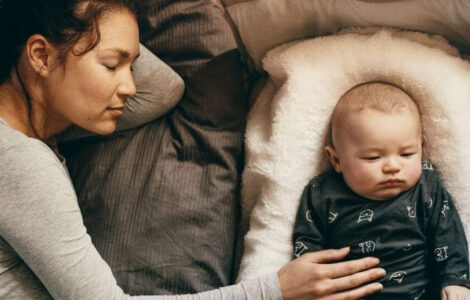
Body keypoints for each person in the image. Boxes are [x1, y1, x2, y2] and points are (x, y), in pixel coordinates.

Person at [0, 0, 386, 299]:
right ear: (39, 56)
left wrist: (109, 27)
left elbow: (162, 90)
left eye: (130, 66)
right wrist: (276, 290)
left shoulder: (31, 132)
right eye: (112, 65)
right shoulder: (20, 162)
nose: (130, 85)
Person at [293, 82, 470, 299]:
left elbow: (449, 235)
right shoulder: (322, 194)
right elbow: (308, 251)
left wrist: (456, 280)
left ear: (421, 148)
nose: (393, 167)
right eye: (373, 157)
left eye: (407, 154)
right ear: (336, 159)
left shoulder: (426, 187)